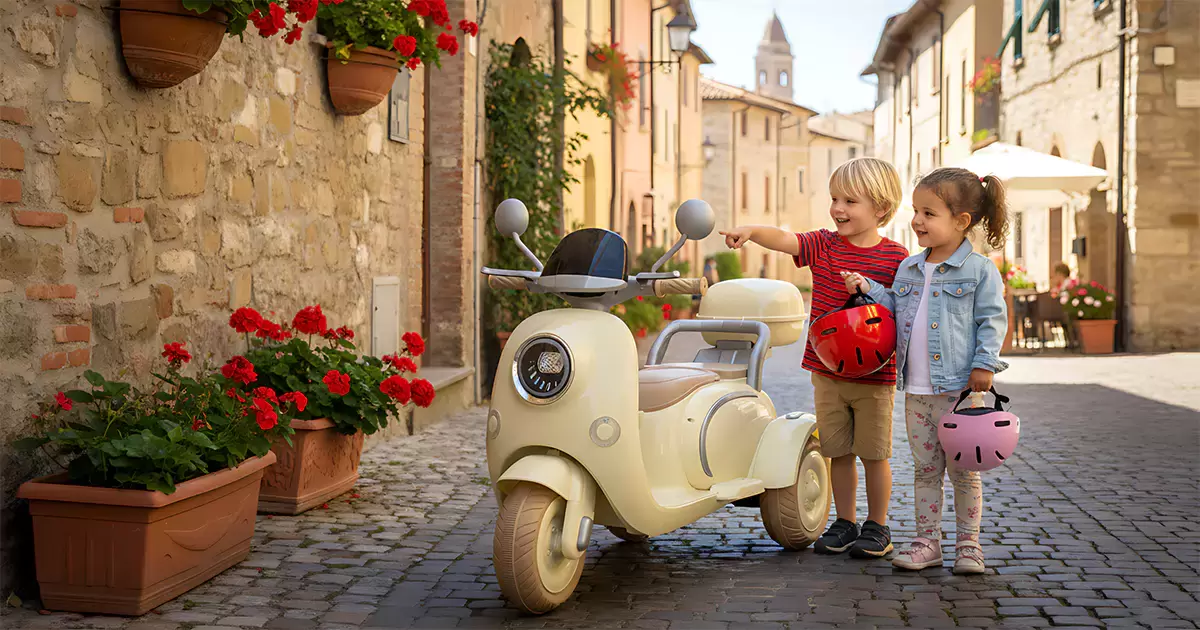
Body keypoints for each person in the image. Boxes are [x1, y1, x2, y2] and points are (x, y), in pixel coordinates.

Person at [720, 157, 907, 558]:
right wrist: (752, 231)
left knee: (875, 454)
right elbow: (787, 239)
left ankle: (878, 526)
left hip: (876, 377)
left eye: (850, 201)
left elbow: (903, 311)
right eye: (835, 198)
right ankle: (844, 521)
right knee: (836, 451)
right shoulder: (823, 245)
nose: (838, 208)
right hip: (827, 371)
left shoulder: (897, 259)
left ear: (880, 209)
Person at [842, 167, 1010, 574]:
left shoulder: (979, 269)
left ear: (961, 221)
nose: (916, 220)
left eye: (928, 213)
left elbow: (993, 319)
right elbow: (895, 307)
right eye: (916, 211)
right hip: (916, 390)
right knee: (925, 469)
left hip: (959, 391)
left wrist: (985, 364)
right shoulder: (910, 268)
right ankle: (926, 542)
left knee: (964, 473)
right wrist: (868, 288)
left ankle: (969, 546)